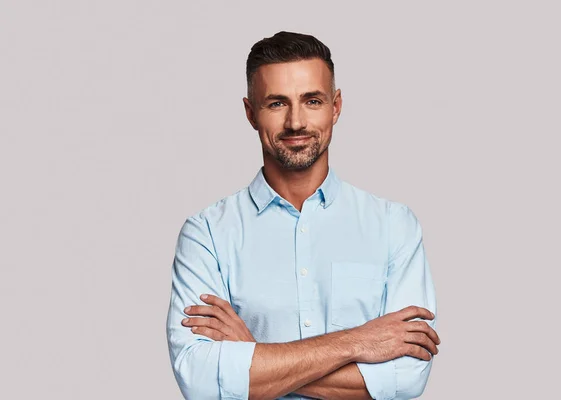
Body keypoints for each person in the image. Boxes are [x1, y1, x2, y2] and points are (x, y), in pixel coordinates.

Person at [166, 31, 441, 400]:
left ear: (336, 106)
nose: (296, 122)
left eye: (312, 101)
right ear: (250, 113)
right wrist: (359, 341)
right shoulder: (207, 234)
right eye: (277, 104)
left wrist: (253, 357)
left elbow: (405, 379)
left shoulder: (394, 226)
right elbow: (201, 380)